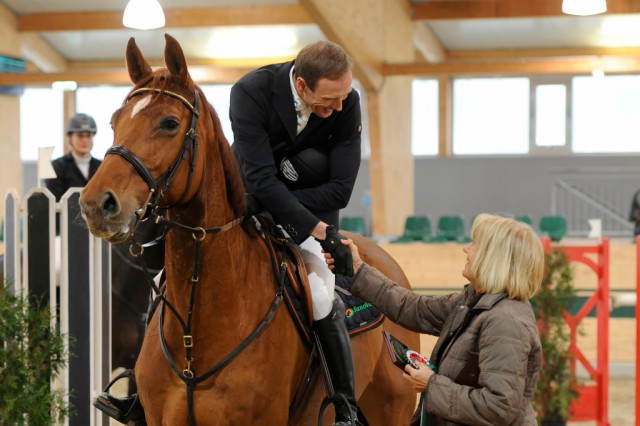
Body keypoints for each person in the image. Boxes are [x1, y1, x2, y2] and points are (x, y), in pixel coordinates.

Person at [230, 40, 362, 426]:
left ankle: (346, 409)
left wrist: (294, 211)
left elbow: (341, 189)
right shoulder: (250, 92)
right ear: (302, 85)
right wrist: (311, 219)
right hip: (243, 210)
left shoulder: (345, 100)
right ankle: (141, 392)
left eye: (343, 98)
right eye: (329, 100)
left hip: (304, 220)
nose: (338, 109)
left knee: (321, 296)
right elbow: (255, 177)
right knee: (172, 276)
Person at [325, 214, 544, 426]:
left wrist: (431, 384)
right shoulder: (473, 303)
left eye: (475, 245)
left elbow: (498, 407)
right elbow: (413, 308)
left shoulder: (505, 322)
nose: (466, 249)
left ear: (493, 259)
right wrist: (358, 270)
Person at [46, 112, 101, 201]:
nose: (85, 140)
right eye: (80, 136)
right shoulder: (57, 166)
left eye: (88, 136)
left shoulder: (101, 167)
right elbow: (54, 201)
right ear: (70, 137)